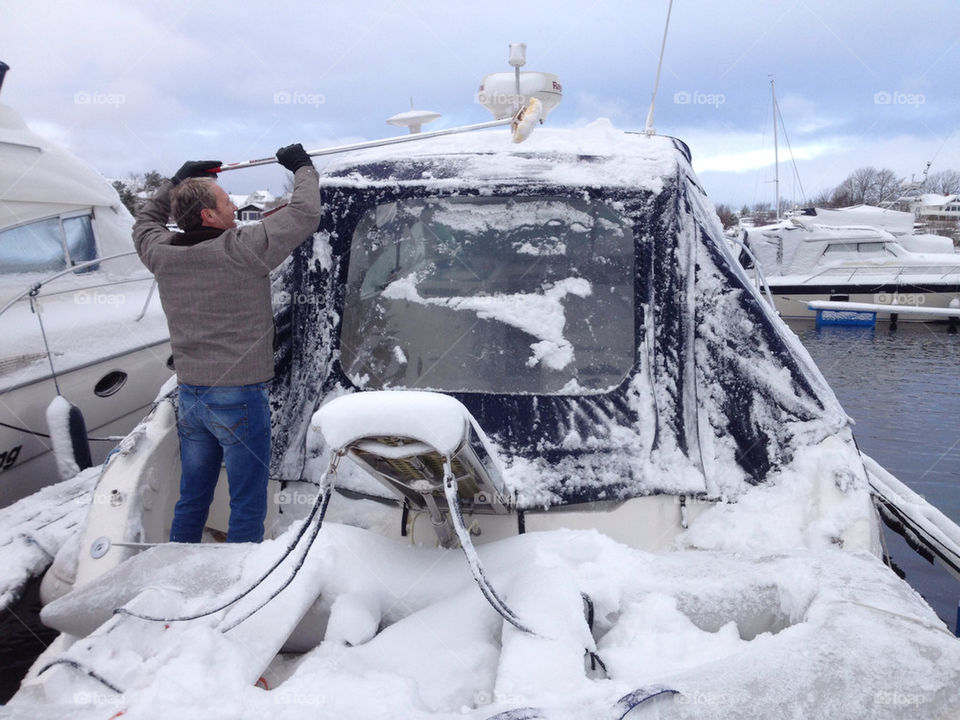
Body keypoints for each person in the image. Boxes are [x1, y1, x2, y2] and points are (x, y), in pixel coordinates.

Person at [133, 144, 322, 543]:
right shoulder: (243, 250)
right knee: (247, 502)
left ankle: (176, 566)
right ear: (208, 216)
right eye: (226, 203)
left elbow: (145, 220)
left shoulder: (161, 253)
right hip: (238, 400)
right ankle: (238, 587)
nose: (234, 210)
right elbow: (305, 213)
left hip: (192, 398)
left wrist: (176, 180)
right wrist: (302, 167)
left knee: (193, 497)